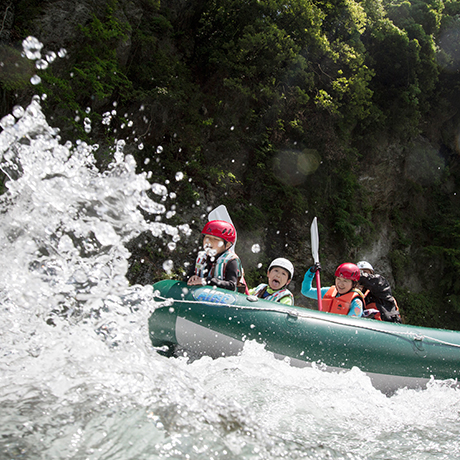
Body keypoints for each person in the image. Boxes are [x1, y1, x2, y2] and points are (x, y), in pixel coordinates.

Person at [186, 220, 247, 293]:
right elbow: (186, 278)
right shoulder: (201, 257)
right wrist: (192, 278)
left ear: (227, 245)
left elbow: (231, 285)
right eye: (207, 237)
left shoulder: (231, 260)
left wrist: (206, 280)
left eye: (215, 239)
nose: (209, 241)